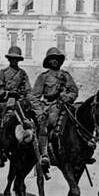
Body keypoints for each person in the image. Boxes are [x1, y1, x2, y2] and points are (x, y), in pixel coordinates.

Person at [30, 46, 78, 175]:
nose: (54, 61)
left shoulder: (66, 76)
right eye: (52, 59)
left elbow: (74, 90)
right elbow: (34, 97)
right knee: (48, 122)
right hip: (49, 105)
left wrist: (67, 97)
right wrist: (39, 112)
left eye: (57, 59)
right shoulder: (43, 77)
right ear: (48, 61)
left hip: (65, 105)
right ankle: (45, 154)